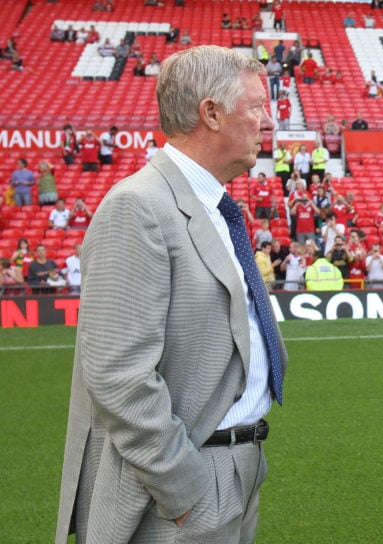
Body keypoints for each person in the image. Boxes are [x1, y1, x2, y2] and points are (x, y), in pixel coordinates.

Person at [56, 45, 287, 543]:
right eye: (257, 107)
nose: (267, 122)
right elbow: (118, 375)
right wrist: (184, 488)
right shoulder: (137, 207)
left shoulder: (214, 204)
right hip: (187, 484)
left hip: (239, 464)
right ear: (211, 113)